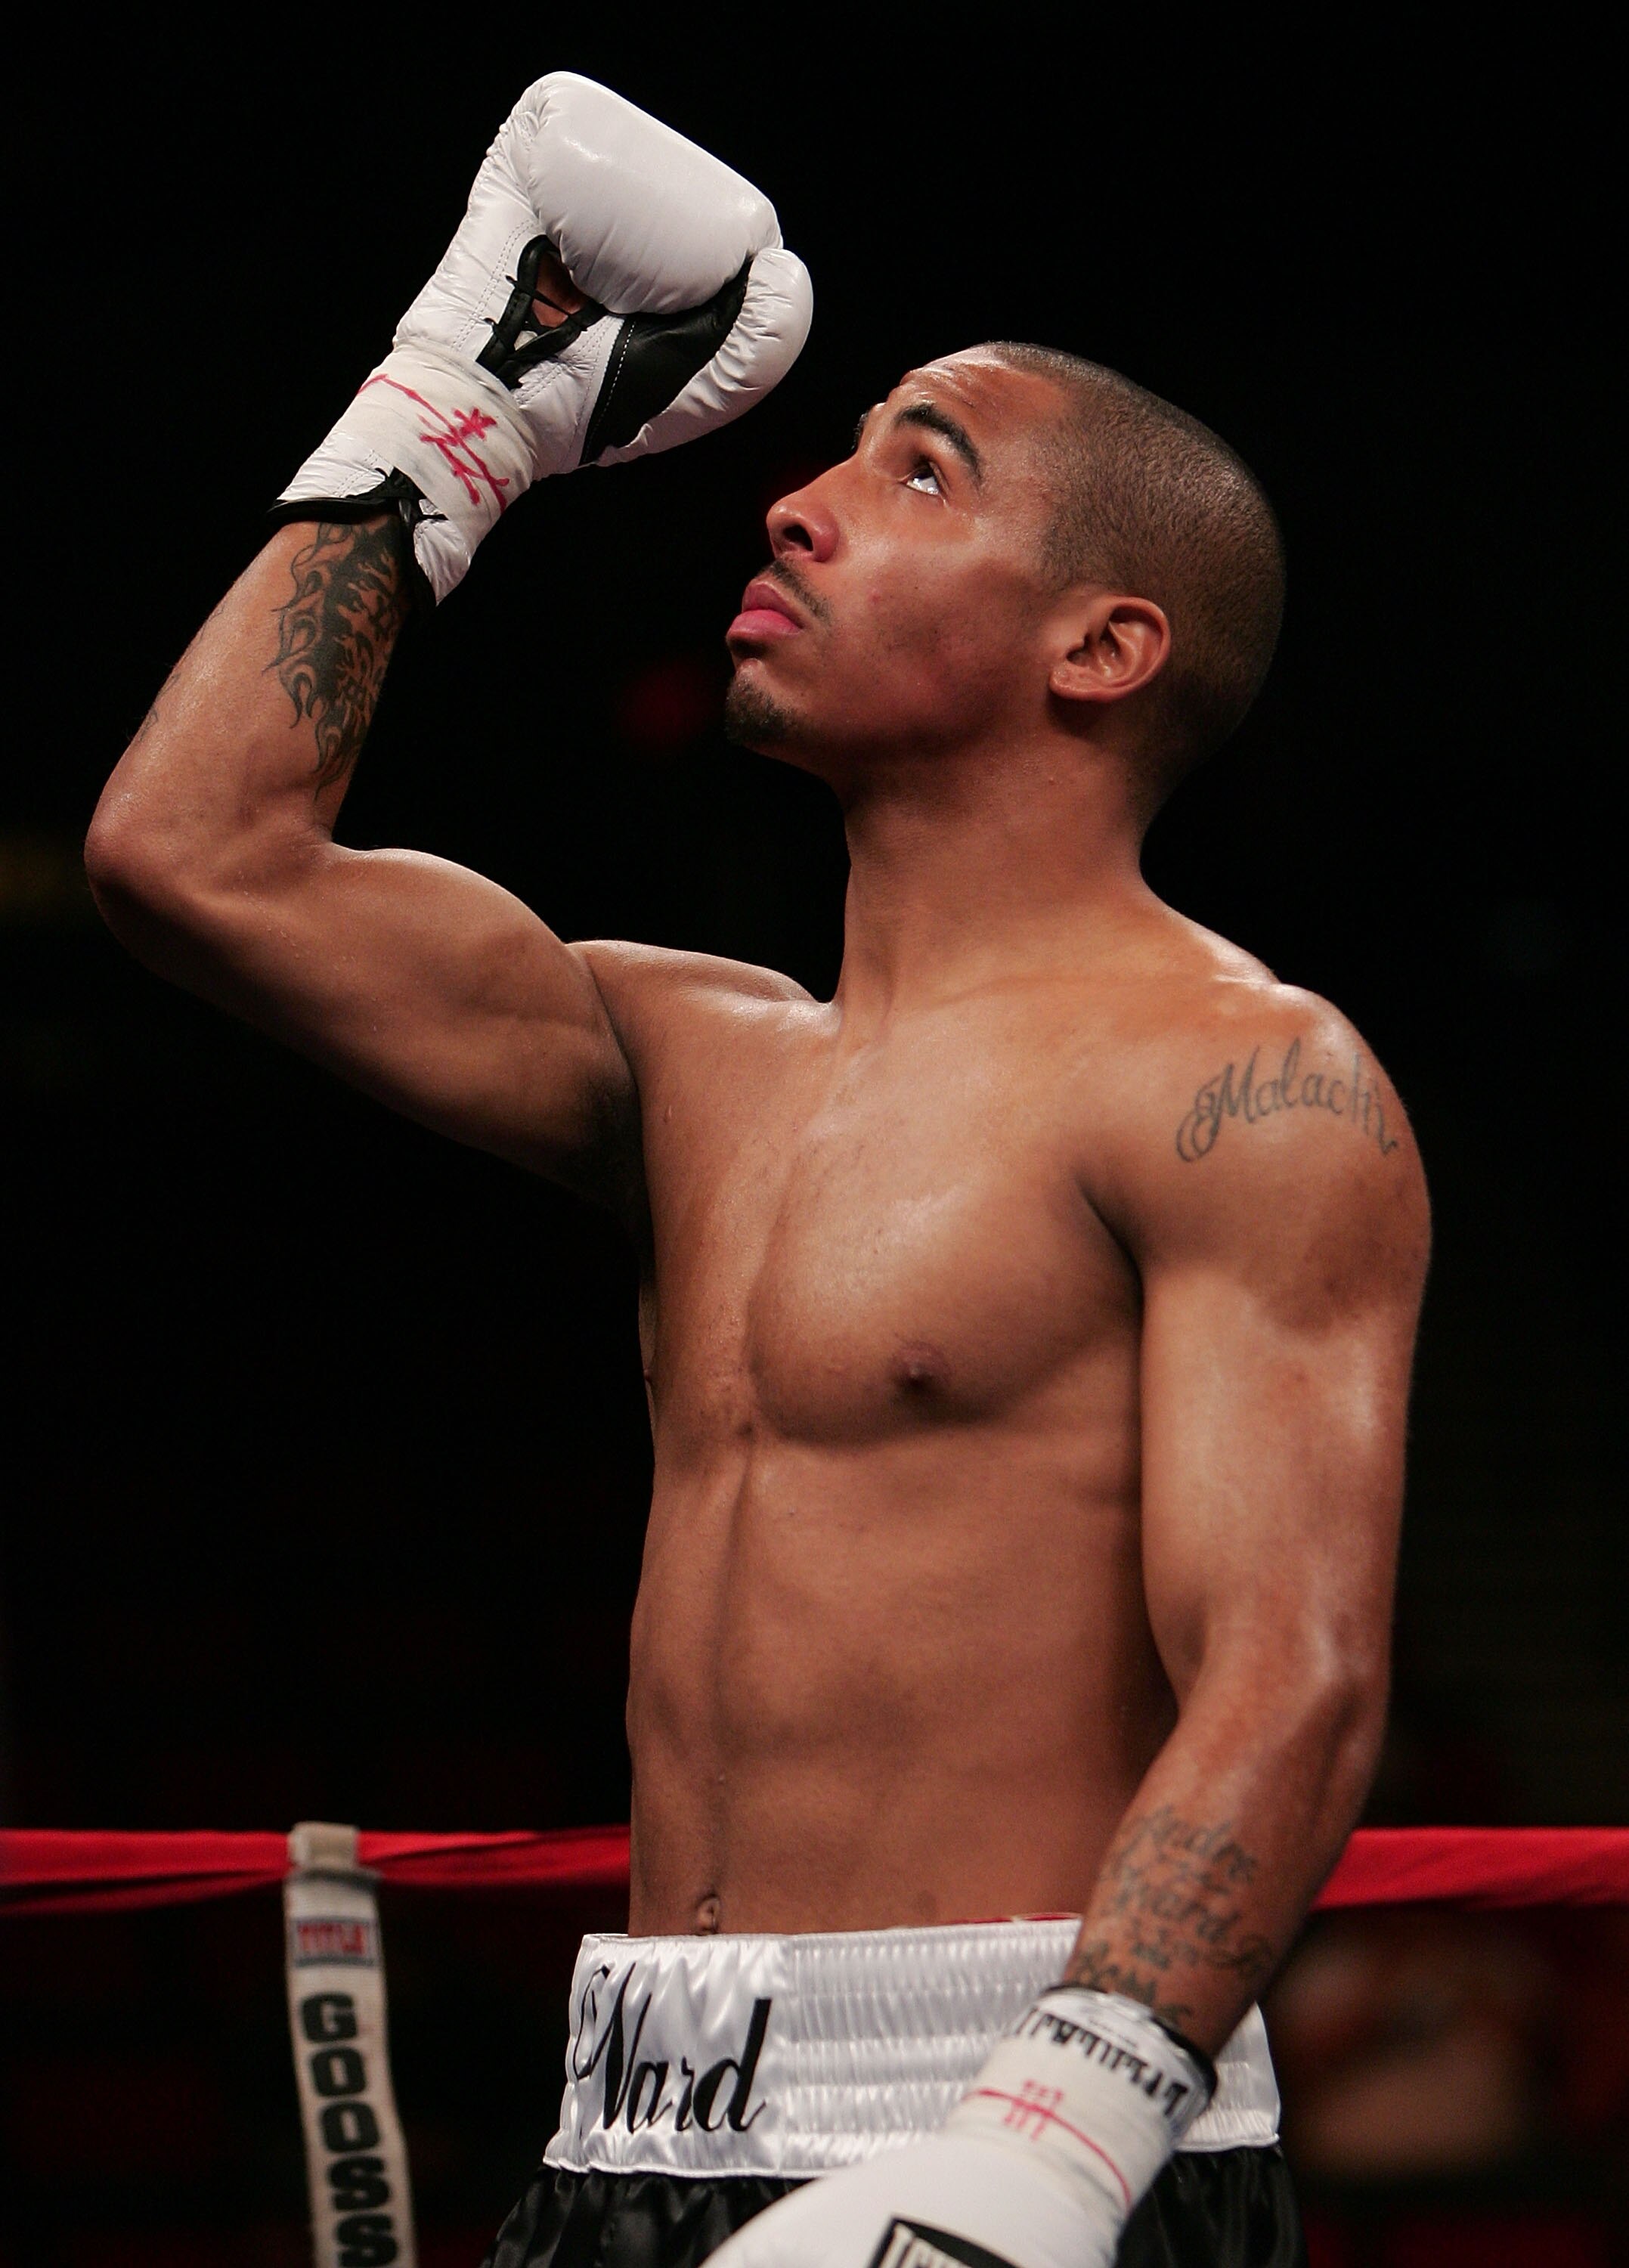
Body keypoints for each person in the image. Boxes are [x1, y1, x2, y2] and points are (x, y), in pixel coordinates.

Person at [85, 70, 1429, 2268]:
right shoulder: (687, 1058)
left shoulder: (1244, 1081)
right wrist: (460, 409)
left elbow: (1295, 1669)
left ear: (1103, 646)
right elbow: (189, 856)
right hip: (629, 2122)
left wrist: (1056, 2140)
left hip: (1031, 2107)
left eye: (921, 468)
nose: (799, 503)